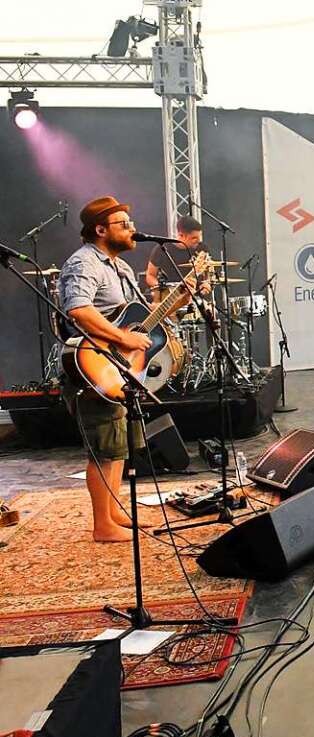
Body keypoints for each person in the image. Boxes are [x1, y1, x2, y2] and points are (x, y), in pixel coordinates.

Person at [59, 196, 200, 543]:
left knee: (119, 443)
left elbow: (143, 318)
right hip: (94, 364)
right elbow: (78, 311)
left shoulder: (120, 268)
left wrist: (178, 299)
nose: (133, 229)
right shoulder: (84, 263)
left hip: (119, 366)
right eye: (124, 224)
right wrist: (122, 336)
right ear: (101, 229)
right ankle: (102, 526)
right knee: (104, 445)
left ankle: (114, 510)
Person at [143, 214, 203, 292]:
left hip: (196, 296)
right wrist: (164, 290)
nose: (199, 240)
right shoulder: (162, 248)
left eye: (199, 236)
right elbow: (150, 275)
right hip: (171, 296)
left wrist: (206, 284)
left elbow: (207, 275)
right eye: (194, 238)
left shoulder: (201, 249)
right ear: (181, 235)